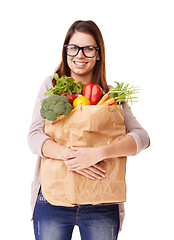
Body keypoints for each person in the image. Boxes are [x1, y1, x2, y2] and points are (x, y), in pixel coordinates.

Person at [28, 20, 150, 240]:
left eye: (89, 49)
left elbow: (141, 138)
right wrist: (72, 157)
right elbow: (35, 136)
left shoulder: (111, 95)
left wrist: (96, 154)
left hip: (101, 201)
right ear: (65, 51)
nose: (80, 55)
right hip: (53, 198)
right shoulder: (51, 86)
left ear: (98, 54)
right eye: (73, 47)